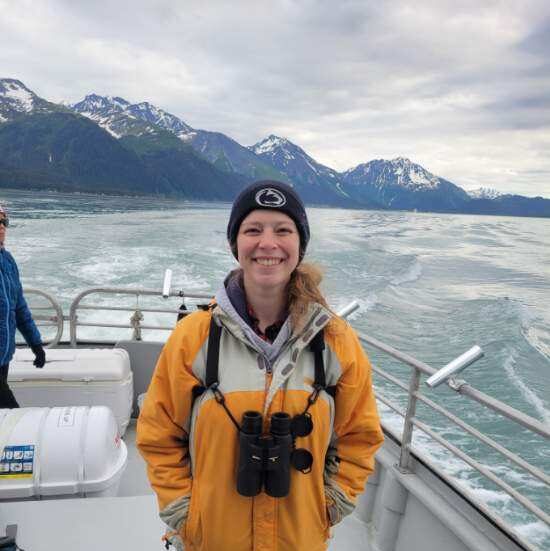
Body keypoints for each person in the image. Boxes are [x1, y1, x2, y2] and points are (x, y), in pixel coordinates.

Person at [137, 181, 384, 551]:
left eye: (283, 230)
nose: (268, 243)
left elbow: (359, 438)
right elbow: (158, 435)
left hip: (299, 540)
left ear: (300, 246)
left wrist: (330, 504)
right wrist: (184, 512)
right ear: (235, 244)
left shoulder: (336, 341)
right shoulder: (192, 337)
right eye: (253, 230)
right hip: (212, 540)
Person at [0, 203, 45, 408]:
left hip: (4, 355)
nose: (2, 227)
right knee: (11, 411)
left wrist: (36, 344)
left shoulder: (8, 261)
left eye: (4, 221)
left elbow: (19, 308)